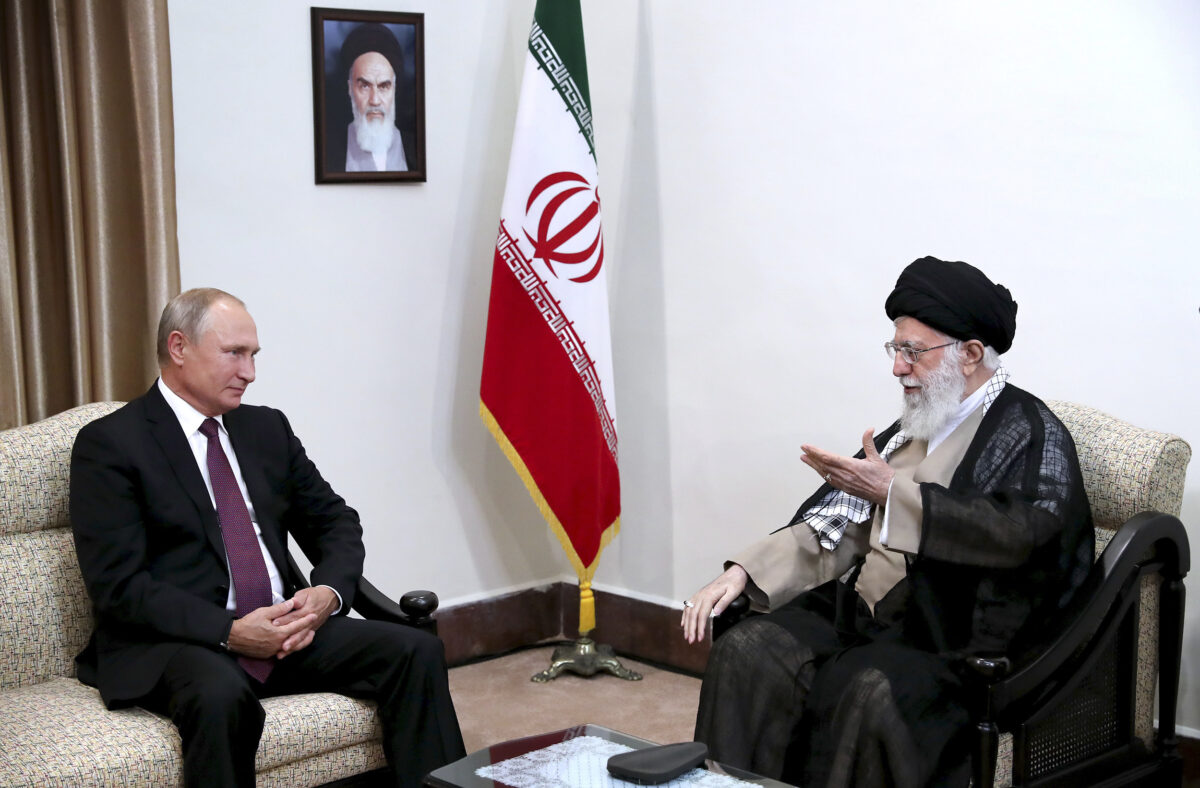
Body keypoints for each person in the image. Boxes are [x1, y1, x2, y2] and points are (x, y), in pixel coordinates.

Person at [681, 257, 1094, 787]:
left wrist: (895, 494)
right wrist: (743, 572)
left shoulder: (1028, 431)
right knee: (749, 651)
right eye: (895, 349)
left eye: (912, 352)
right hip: (868, 615)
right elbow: (843, 522)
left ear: (969, 355)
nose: (897, 367)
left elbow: (1022, 534)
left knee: (865, 687)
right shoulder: (919, 423)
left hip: (953, 638)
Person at [70, 288, 465, 788]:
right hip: (182, 641)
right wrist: (229, 631)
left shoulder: (266, 428)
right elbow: (118, 585)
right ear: (178, 347)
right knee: (219, 694)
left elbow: (335, 521)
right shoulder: (111, 444)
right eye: (234, 353)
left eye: (253, 355)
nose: (250, 372)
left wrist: (328, 595)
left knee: (416, 651)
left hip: (284, 630)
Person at [332, 22, 413, 173]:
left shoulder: (415, 150)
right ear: (350, 89)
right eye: (365, 86)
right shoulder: (329, 151)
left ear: (394, 90)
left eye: (384, 86)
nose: (375, 100)